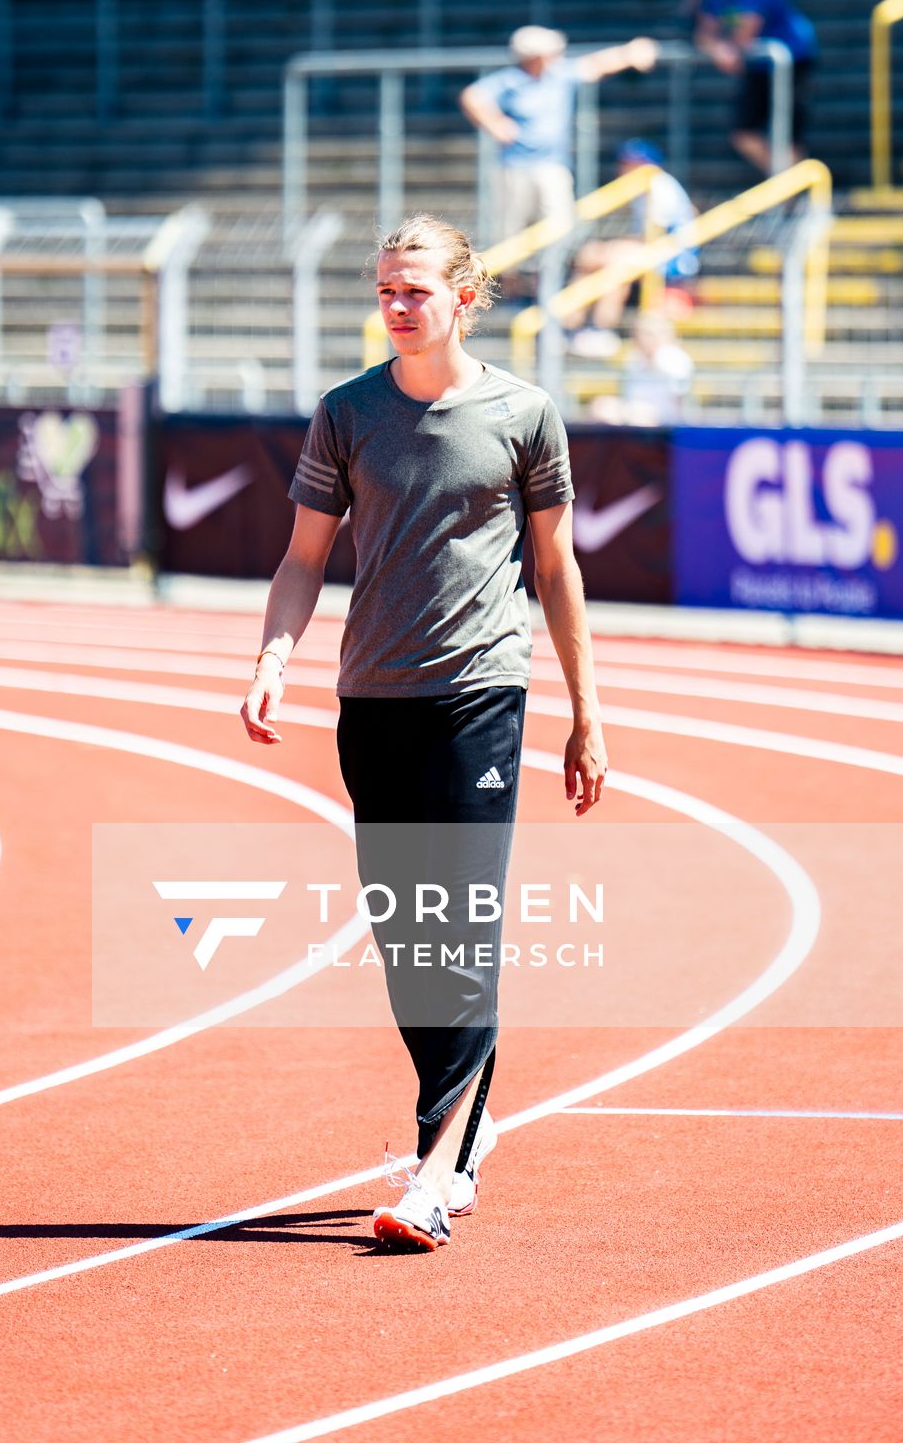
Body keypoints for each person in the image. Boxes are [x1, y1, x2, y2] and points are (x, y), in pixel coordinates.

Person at [240, 211, 607, 1254]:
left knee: (462, 926)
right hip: (372, 701)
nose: (398, 307)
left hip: (479, 696)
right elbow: (303, 557)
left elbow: (555, 570)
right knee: (407, 939)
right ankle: (462, 1124)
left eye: (416, 290)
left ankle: (436, 1173)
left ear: (464, 297)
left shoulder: (524, 414)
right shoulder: (347, 413)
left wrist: (587, 713)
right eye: (386, 291)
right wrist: (273, 660)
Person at [459, 25, 659, 246]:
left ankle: (552, 268)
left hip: (552, 164)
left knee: (560, 226)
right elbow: (472, 96)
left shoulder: (559, 75)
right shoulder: (510, 80)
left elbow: (595, 64)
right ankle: (508, 269)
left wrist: (629, 53)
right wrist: (495, 123)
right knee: (509, 230)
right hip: (515, 166)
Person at [565, 139, 699, 356]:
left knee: (618, 263)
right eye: (625, 163)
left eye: (633, 163)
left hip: (676, 259)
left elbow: (656, 237)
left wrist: (612, 249)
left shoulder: (659, 185)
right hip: (655, 250)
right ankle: (569, 327)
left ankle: (601, 329)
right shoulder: (639, 189)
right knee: (589, 255)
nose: (626, 168)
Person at [694, 0, 817, 176]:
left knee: (790, 132)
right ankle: (783, 181)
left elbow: (746, 33)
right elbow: (704, 34)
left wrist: (726, 51)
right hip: (759, 64)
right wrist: (718, 49)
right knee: (742, 130)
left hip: (791, 60)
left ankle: (791, 185)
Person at [588, 312, 694, 427]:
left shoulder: (676, 359)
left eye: (652, 334)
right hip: (635, 415)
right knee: (601, 407)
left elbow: (678, 406)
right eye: (642, 334)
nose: (646, 339)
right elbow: (628, 396)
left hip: (664, 422)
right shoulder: (633, 359)